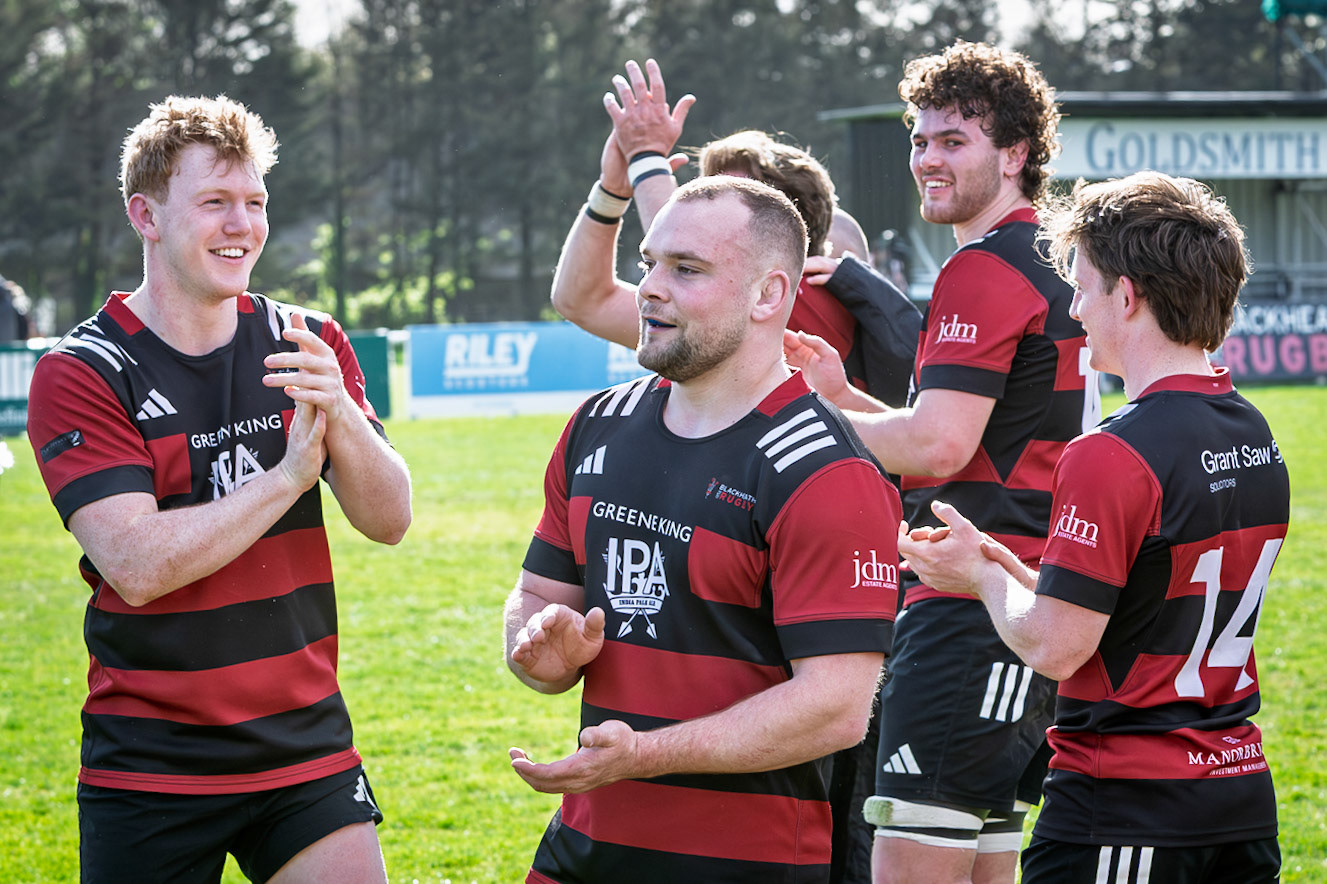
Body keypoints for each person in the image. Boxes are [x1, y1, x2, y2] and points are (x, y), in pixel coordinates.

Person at [26, 94, 412, 883]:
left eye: (255, 203)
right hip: (153, 764)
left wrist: (338, 407)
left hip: (304, 744)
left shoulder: (308, 341)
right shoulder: (81, 372)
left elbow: (390, 518)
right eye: (214, 203)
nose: (242, 224)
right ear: (146, 215)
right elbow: (136, 565)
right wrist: (285, 480)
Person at [505, 175, 902, 883]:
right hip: (586, 844)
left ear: (767, 296)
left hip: (743, 864)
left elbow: (835, 709)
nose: (651, 288)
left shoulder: (825, 472)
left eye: (685, 270)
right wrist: (537, 649)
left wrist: (645, 754)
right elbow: (538, 594)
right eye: (648, 264)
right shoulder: (599, 424)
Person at [898, 171, 1287, 884]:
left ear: (1127, 296)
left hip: (1125, 807)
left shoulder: (1111, 453)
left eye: (1080, 287)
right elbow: (1130, 603)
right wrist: (999, 561)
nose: (1072, 310)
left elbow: (1054, 646)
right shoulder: (1253, 432)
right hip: (1236, 794)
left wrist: (980, 577)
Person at [785, 41, 1099, 884]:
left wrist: (801, 417)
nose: (927, 157)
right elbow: (978, 441)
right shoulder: (1048, 258)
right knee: (985, 851)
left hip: (968, 597)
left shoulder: (983, 268)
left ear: (1014, 154)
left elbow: (936, 447)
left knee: (915, 858)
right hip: (1027, 592)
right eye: (919, 139)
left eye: (952, 141)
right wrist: (846, 399)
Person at [550, 58, 920, 412]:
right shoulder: (720, 309)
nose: (703, 209)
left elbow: (678, 242)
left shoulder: (801, 293)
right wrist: (610, 194)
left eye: (735, 197)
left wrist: (646, 156)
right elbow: (583, 301)